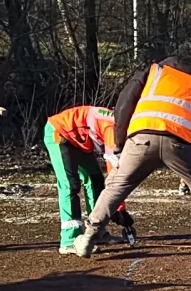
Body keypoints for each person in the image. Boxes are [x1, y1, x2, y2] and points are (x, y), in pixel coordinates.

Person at [71, 56, 191, 259]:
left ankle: (88, 237)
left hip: (141, 137)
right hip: (182, 141)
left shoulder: (152, 73)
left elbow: (124, 104)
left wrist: (119, 143)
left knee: (116, 187)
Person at [43, 102, 137, 254]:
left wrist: (119, 210)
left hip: (78, 140)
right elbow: (115, 173)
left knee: (95, 180)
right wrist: (119, 210)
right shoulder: (113, 129)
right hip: (59, 133)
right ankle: (69, 240)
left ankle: (97, 232)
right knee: (70, 185)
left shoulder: (120, 124)